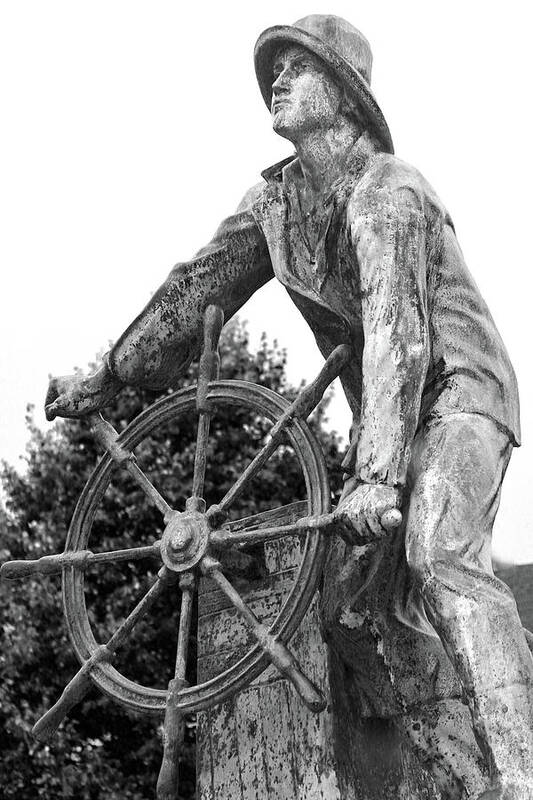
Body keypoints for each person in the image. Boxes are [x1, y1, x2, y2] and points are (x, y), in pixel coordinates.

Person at [44, 15, 533, 800]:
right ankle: (451, 765)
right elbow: (193, 291)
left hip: (459, 395)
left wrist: (374, 476)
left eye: (296, 67)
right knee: (350, 608)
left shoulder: (389, 192)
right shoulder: (271, 206)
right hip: (385, 411)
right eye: (272, 67)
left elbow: (396, 334)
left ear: (344, 96)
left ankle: (519, 768)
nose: (275, 78)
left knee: (437, 551)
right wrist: (107, 377)